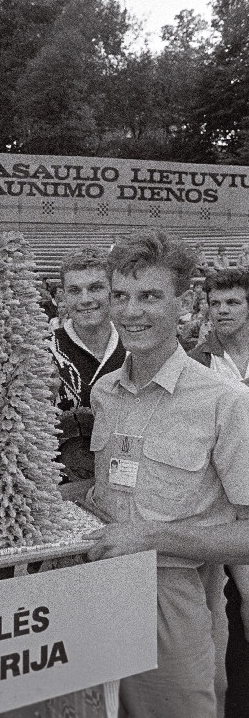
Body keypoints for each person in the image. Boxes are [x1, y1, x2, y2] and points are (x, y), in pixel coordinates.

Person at [84, 231, 249, 718]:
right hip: (101, 596)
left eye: (150, 296)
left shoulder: (225, 402)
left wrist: (153, 537)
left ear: (185, 303)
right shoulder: (105, 394)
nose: (131, 312)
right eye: (121, 296)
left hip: (176, 606)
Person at [190, 268, 249, 718]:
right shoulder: (197, 362)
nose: (223, 310)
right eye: (216, 303)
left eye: (233, 302)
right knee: (215, 604)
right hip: (218, 499)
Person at [49, 248, 125, 489]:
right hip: (53, 495)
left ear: (112, 291)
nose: (85, 299)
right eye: (74, 290)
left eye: (95, 288)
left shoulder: (135, 349)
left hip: (125, 491)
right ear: (62, 296)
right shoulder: (40, 351)